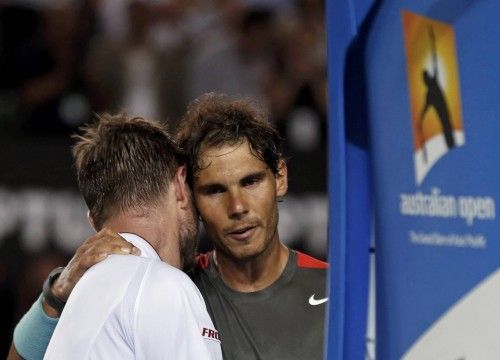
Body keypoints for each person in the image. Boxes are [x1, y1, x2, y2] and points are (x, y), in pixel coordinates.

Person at [9, 94, 327, 360]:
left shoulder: (336, 290)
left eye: (251, 181)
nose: (238, 207)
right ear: (186, 193)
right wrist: (56, 295)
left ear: (281, 178)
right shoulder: (168, 288)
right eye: (214, 190)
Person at [12, 113, 222, 359]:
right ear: (180, 184)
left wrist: (56, 295)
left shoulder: (78, 296)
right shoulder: (166, 286)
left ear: (93, 220)